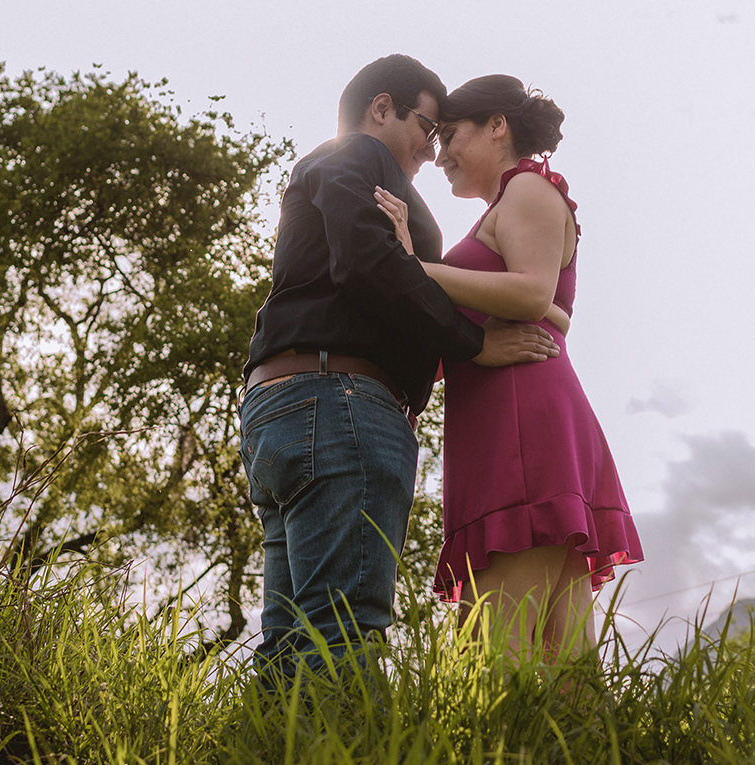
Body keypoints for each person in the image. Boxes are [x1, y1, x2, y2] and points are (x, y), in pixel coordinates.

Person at [240, 55, 562, 679]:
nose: (431, 151)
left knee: (290, 634)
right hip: (341, 406)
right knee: (342, 627)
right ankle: (344, 748)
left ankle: (276, 746)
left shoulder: (341, 172)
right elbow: (368, 263)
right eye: (428, 128)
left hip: (286, 407)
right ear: (382, 108)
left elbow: (379, 273)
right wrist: (472, 345)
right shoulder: (360, 155)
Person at [374, 75, 641, 659]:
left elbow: (531, 293)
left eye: (450, 136)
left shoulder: (528, 187)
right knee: (563, 662)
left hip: (521, 420)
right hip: (506, 416)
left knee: (492, 652)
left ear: (497, 126)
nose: (440, 155)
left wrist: (412, 267)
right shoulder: (503, 207)